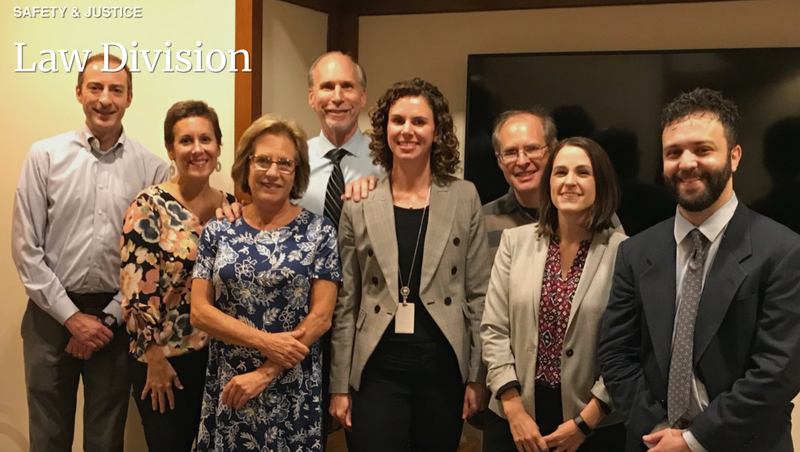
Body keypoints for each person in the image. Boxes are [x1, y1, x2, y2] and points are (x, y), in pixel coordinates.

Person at [598, 88, 800, 452]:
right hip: (652, 444)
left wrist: (694, 440)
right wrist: (658, 432)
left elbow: (777, 371)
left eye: (703, 150)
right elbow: (616, 354)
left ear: (734, 156)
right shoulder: (634, 251)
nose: (686, 163)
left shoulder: (783, 251)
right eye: (673, 152)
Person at [11, 53, 168, 452]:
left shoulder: (152, 168)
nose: (105, 98)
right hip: (50, 318)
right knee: (48, 437)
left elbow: (152, 257)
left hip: (117, 323)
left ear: (129, 98)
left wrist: (108, 318)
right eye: (95, 87)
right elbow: (26, 248)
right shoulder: (44, 157)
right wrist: (72, 318)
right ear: (79, 92)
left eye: (116, 89)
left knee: (105, 438)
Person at [329, 78, 490, 452]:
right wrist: (339, 385)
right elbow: (345, 301)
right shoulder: (360, 201)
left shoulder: (464, 197)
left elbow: (479, 294)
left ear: (437, 132)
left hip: (443, 370)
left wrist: (476, 376)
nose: (407, 131)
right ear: (385, 129)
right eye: (397, 120)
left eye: (419, 121)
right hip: (377, 371)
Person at [190, 114, 341, 451]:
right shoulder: (218, 230)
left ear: (297, 173)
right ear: (246, 165)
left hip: (292, 387)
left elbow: (321, 317)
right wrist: (265, 342)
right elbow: (199, 312)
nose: (272, 172)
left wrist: (266, 371)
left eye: (285, 163)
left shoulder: (320, 233)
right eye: (263, 160)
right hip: (231, 386)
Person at [481, 136, 627, 452]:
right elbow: (493, 330)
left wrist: (586, 421)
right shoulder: (514, 242)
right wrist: (513, 409)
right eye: (560, 172)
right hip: (514, 419)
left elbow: (629, 347)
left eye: (582, 172)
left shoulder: (626, 253)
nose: (569, 182)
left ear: (600, 183)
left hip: (592, 425)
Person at [120, 100, 235, 452]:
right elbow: (135, 292)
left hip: (220, 360)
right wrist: (153, 355)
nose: (197, 149)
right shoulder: (148, 205)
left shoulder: (232, 209)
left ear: (218, 146)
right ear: (170, 149)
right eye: (186, 141)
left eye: (206, 139)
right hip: (166, 361)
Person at [299, 51, 384, 225]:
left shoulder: (386, 163)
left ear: (362, 97)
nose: (337, 97)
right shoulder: (294, 161)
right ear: (311, 97)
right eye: (327, 87)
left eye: (347, 86)